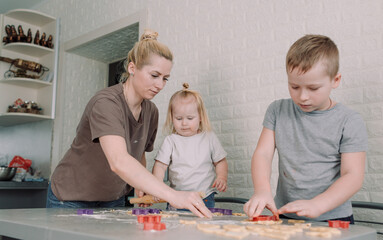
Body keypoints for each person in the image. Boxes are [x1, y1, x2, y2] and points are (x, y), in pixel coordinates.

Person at [46, 30, 212, 218]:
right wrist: (172, 195)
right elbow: (119, 161)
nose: (160, 85)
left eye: (165, 78)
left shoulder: (151, 111)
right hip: (71, 197)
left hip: (112, 197)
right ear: (132, 68)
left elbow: (138, 153)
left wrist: (140, 186)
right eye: (154, 75)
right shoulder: (106, 103)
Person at [243, 34, 368, 223]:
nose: (302, 97)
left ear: (335, 80)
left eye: (313, 88)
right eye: (294, 87)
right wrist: (262, 191)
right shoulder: (277, 110)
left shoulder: (349, 120)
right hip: (285, 214)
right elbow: (263, 154)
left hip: (333, 218)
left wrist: (317, 205)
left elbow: (353, 175)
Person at [152, 83, 228, 209]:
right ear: (172, 118)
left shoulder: (209, 137)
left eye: (190, 118)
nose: (184, 123)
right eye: (178, 118)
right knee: (176, 226)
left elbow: (220, 161)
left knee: (202, 227)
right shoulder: (171, 141)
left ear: (200, 117)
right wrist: (157, 185)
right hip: (176, 197)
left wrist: (221, 177)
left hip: (204, 196)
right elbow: (160, 166)